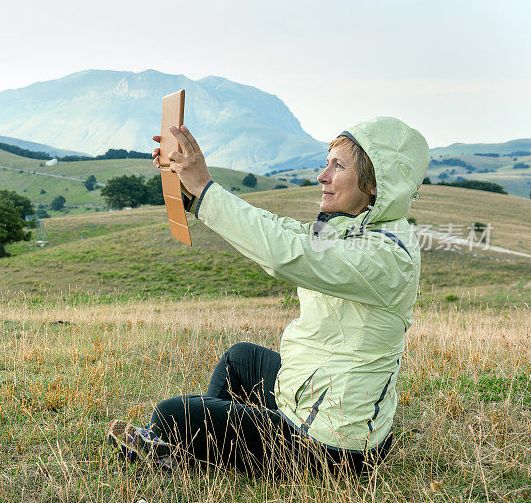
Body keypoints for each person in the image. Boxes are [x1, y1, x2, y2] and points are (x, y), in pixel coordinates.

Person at [107, 116, 430, 476]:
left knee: (172, 413)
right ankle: (198, 446)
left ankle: (181, 448)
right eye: (327, 163)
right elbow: (281, 230)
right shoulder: (354, 227)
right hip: (314, 401)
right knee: (241, 359)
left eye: (337, 166)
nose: (322, 176)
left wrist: (206, 188)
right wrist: (193, 195)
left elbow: (285, 252)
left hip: (333, 447)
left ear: (374, 184)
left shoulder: (386, 257)